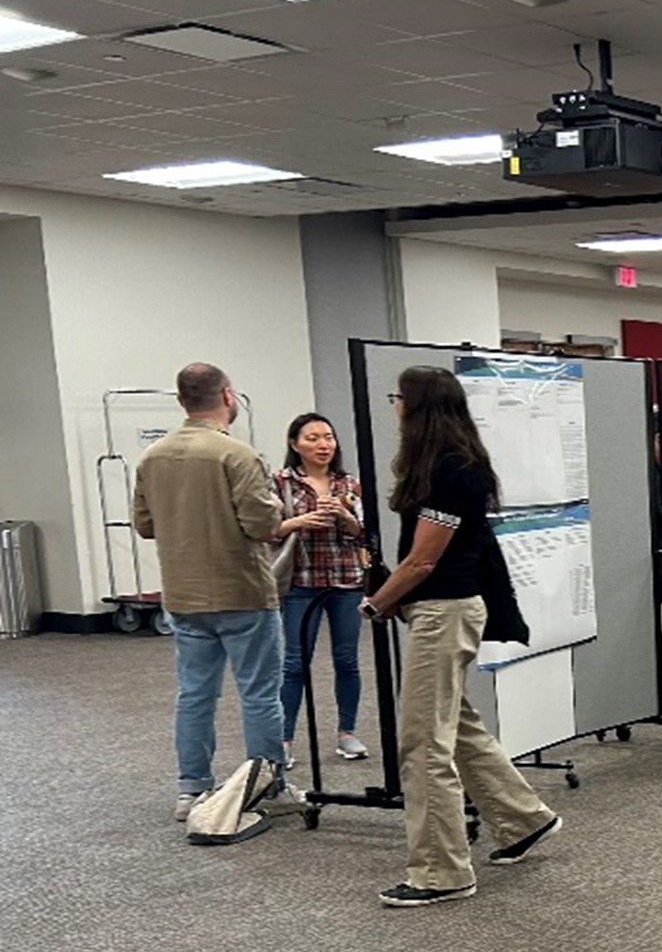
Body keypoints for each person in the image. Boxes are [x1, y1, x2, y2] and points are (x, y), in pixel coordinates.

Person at [360, 366, 560, 908]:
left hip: (444, 612)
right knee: (457, 725)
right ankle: (523, 819)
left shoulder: (452, 468)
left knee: (423, 743)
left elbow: (423, 560)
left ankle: (442, 872)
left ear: (418, 405)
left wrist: (377, 602)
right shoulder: (439, 464)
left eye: (397, 397)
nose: (394, 405)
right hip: (441, 609)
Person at [132, 363, 299, 821]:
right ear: (227, 396)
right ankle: (270, 786)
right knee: (260, 693)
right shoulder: (237, 455)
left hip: (183, 594)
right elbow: (263, 526)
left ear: (180, 401)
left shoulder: (153, 457)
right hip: (242, 590)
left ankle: (192, 790)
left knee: (194, 694)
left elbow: (145, 525)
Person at [274, 413, 368, 769]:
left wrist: (346, 520)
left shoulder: (349, 483)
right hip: (301, 581)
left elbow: (364, 533)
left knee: (347, 660)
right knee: (295, 663)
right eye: (312, 438)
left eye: (328, 437)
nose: (323, 444)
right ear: (294, 443)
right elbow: (264, 529)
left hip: (346, 580)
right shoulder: (280, 482)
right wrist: (299, 522)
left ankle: (347, 733)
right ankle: (283, 740)